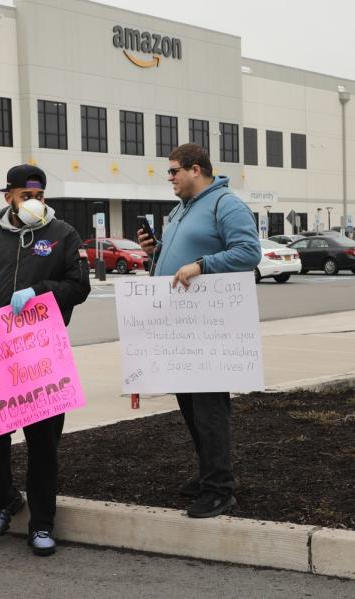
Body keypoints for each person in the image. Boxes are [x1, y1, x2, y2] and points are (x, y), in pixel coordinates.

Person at [0, 164, 90, 557]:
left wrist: (39, 291)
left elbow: (79, 286)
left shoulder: (62, 235)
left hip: (42, 355)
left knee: (43, 444)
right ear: (8, 197)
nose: (33, 202)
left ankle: (42, 524)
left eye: (38, 195)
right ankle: (4, 498)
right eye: (25, 195)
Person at [138, 143, 261, 518]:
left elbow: (249, 253)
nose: (170, 178)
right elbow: (176, 262)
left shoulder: (226, 204)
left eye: (174, 171)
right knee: (191, 407)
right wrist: (154, 252)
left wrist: (202, 265)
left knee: (209, 409)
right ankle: (211, 473)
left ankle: (220, 489)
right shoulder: (179, 210)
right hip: (180, 327)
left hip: (209, 328)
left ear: (196, 169)